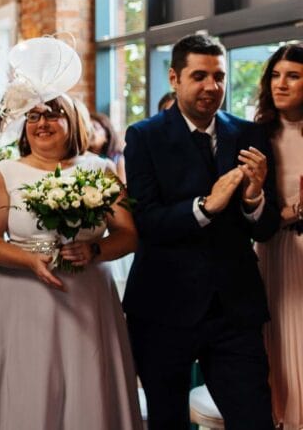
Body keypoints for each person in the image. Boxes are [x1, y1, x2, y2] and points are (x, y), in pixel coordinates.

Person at [123, 33, 280, 429]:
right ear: (174, 78)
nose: (212, 87)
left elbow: (265, 229)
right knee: (167, 420)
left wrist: (256, 196)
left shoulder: (249, 134)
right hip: (162, 305)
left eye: (219, 76)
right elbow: (147, 222)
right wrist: (205, 207)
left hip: (234, 308)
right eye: (199, 76)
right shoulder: (144, 136)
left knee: (254, 418)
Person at [0, 93, 142, 429]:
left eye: (52, 115)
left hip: (86, 296)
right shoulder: (6, 171)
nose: (41, 124)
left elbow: (128, 235)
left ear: (73, 121)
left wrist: (93, 251)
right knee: (25, 382)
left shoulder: (100, 169)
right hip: (23, 295)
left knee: (87, 382)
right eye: (33, 117)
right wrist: (28, 259)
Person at [254, 42, 303, 429]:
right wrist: (293, 211)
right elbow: (252, 212)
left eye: (293, 76)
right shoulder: (256, 135)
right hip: (278, 250)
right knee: (284, 351)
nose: (280, 84)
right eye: (275, 75)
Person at [89, 110, 126, 182]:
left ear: (107, 136)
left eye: (95, 127)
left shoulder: (118, 159)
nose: (90, 131)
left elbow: (122, 188)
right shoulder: (83, 158)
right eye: (88, 128)